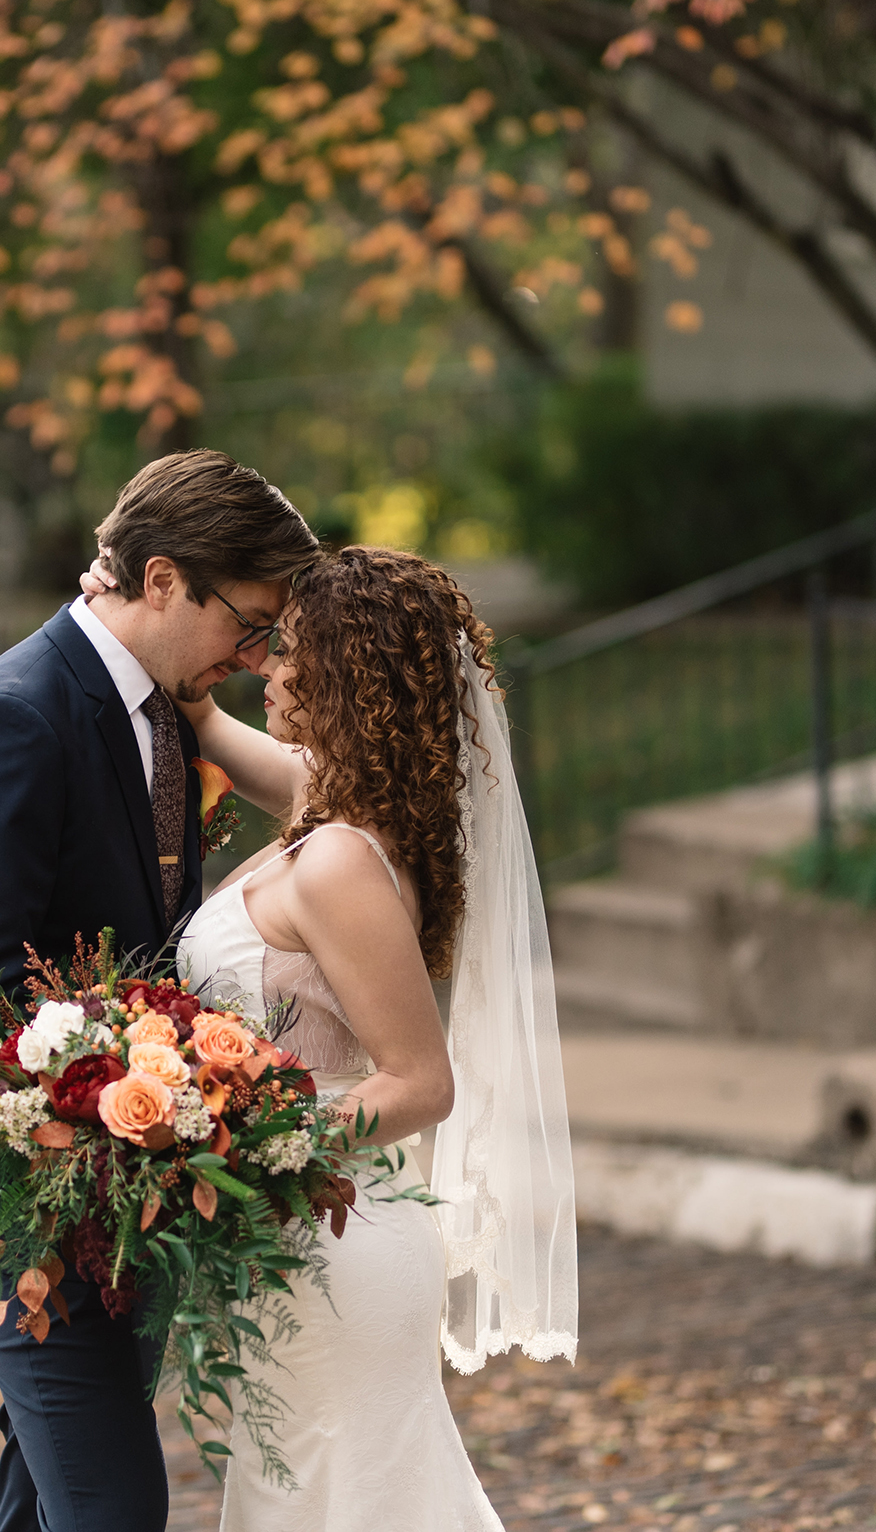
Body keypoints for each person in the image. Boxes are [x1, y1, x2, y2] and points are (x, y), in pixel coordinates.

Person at [0, 449, 320, 1532]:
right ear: (160, 580)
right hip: (25, 1204)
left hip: (122, 1195)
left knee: (51, 1503)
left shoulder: (162, 712)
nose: (255, 657)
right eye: (247, 624)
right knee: (113, 1506)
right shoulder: (10, 720)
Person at [165, 543, 580, 1530]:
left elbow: (419, 1082)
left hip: (337, 1244)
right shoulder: (331, 817)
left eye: (291, 652)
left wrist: (254, 1157)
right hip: (308, 1241)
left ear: (346, 677)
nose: (267, 667)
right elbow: (213, 724)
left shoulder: (342, 858)